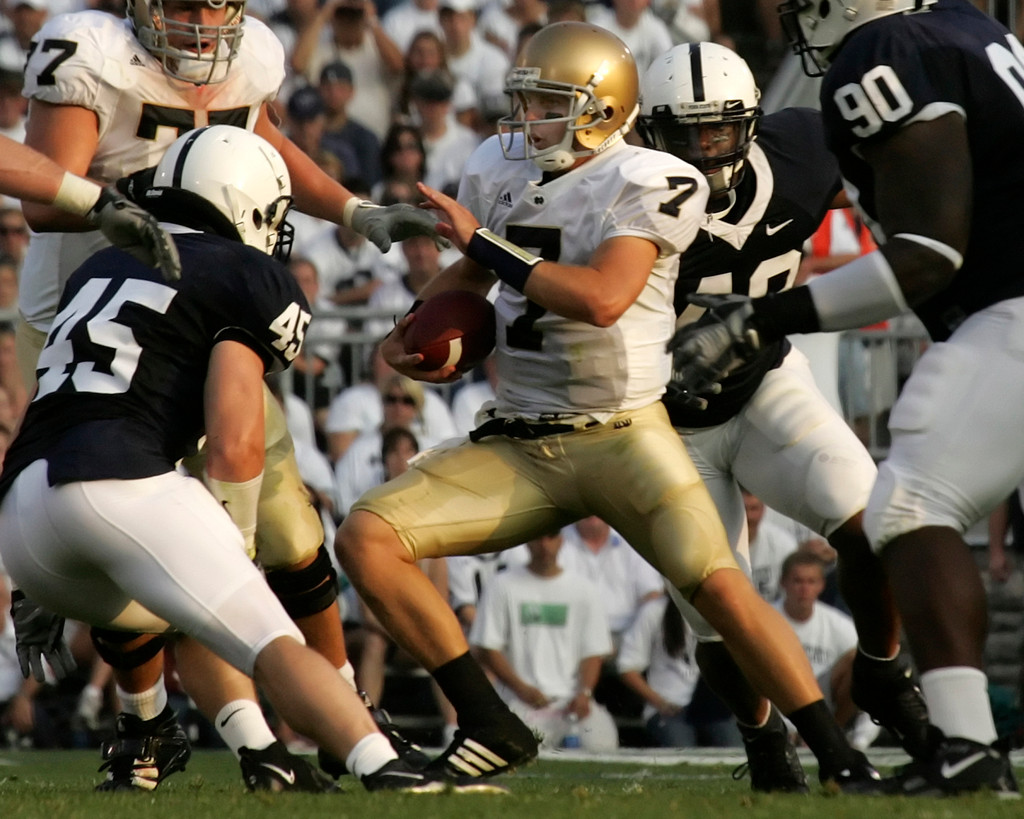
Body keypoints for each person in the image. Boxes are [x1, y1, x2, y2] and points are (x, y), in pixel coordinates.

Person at [335, 21, 882, 791]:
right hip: (521, 440)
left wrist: (482, 247)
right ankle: (488, 723)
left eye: (549, 104)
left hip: (626, 433)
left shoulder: (656, 178)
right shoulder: (498, 166)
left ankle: (837, 754)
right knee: (365, 538)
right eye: (524, 102)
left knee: (722, 589)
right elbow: (467, 278)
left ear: (601, 109)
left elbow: (601, 298)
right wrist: (409, 334)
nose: (529, 121)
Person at [16, 0, 440, 790]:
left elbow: (262, 144)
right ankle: (149, 727)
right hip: (84, 311)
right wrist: (140, 195)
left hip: (190, 310)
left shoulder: (251, 62)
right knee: (132, 541)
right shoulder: (93, 52)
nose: (203, 23)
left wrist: (353, 208)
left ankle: (335, 708)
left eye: (218, 5)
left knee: (284, 522)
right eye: (183, 5)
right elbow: (43, 196)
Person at [669, 0, 1024, 795]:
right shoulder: (970, 25)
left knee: (901, 509)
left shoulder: (883, 52)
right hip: (676, 413)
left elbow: (929, 248)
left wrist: (763, 316)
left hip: (1003, 309)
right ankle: (946, 744)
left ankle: (961, 741)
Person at [637, 40, 935, 791]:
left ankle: (881, 672)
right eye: (685, 133)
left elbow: (880, 174)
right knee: (714, 608)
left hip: (767, 383)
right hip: (663, 425)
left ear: (751, 124)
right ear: (649, 133)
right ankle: (763, 735)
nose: (705, 149)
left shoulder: (802, 150)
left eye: (719, 130)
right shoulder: (621, 193)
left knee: (875, 522)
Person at [470, 530, 619, 752]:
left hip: (571, 704)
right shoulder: (502, 585)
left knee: (604, 746)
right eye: (538, 538)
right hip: (520, 703)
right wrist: (522, 689)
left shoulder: (584, 590)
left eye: (551, 537)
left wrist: (584, 694)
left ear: (561, 541)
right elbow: (487, 648)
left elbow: (593, 651)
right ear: (527, 543)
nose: (545, 546)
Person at [773, 552, 879, 751]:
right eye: (797, 581)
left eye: (811, 581)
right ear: (783, 583)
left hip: (825, 702)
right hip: (780, 701)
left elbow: (871, 678)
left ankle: (832, 734)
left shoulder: (839, 625)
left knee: (858, 659)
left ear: (821, 585)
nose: (804, 589)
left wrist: (862, 739)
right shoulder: (766, 621)